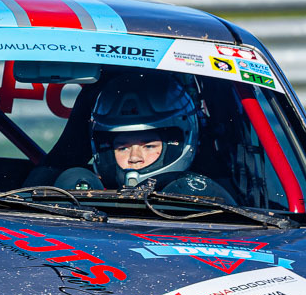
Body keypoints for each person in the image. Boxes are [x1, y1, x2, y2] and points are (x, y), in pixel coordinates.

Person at [52, 71, 233, 199]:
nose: (134, 158)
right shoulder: (84, 199)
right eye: (123, 148)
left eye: (148, 146)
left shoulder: (209, 199)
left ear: (176, 144)